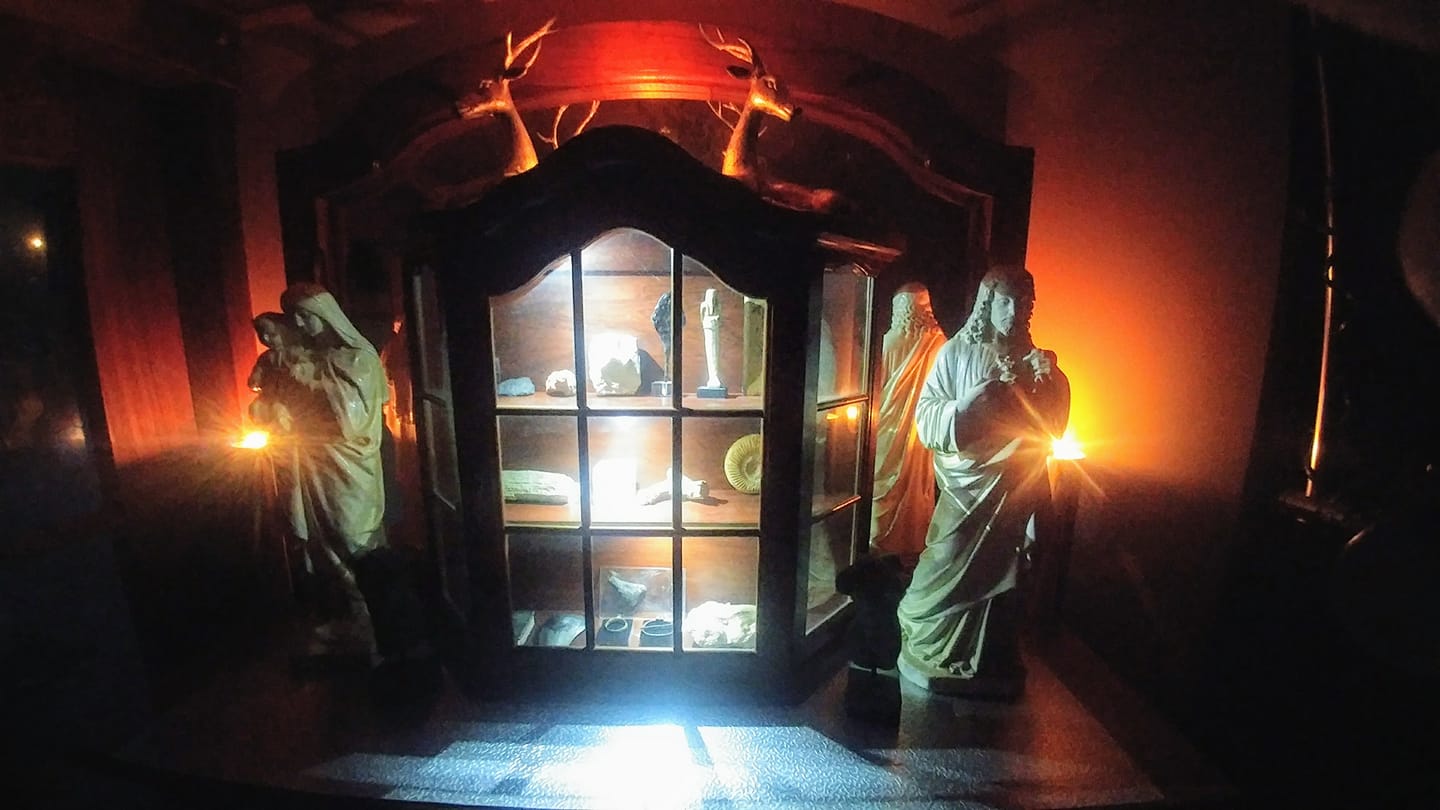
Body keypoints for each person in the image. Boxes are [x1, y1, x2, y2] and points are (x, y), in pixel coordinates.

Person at [896, 265, 1070, 697]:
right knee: (948, 554)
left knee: (1005, 572)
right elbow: (927, 418)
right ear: (987, 303)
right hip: (967, 485)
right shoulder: (955, 353)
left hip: (1015, 486)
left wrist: (1053, 384)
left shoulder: (1035, 362)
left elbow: (1052, 429)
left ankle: (990, 657)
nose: (1015, 312)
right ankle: (933, 642)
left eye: (1024, 303)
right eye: (1005, 302)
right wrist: (967, 408)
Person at [278, 283, 409, 662]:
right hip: (316, 464)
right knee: (326, 543)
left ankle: (375, 623)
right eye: (293, 317)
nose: (299, 324)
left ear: (326, 314)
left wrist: (307, 382)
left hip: (349, 466)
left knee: (355, 538)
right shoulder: (312, 356)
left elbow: (352, 422)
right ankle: (354, 618)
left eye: (306, 315)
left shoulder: (358, 359)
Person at [869, 283, 948, 566]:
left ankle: (894, 546)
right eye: (923, 305)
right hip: (899, 429)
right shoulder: (938, 344)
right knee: (898, 484)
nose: (927, 311)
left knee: (908, 484)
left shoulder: (930, 344)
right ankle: (897, 546)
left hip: (908, 429)